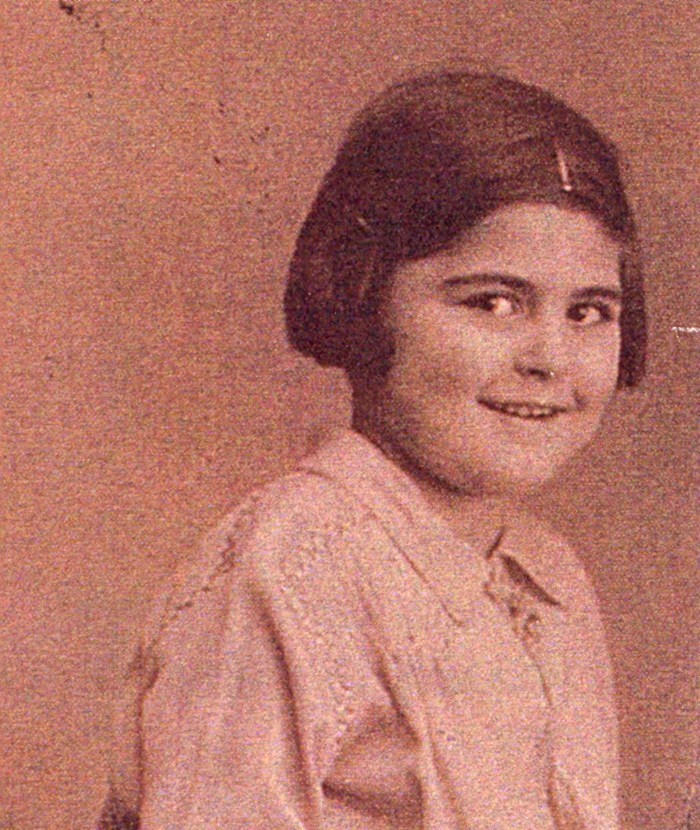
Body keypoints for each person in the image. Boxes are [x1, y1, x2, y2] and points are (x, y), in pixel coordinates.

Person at [98, 70, 646, 829]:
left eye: (590, 311)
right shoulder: (286, 574)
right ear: (362, 294)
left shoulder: (551, 581)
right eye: (493, 302)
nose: (551, 356)